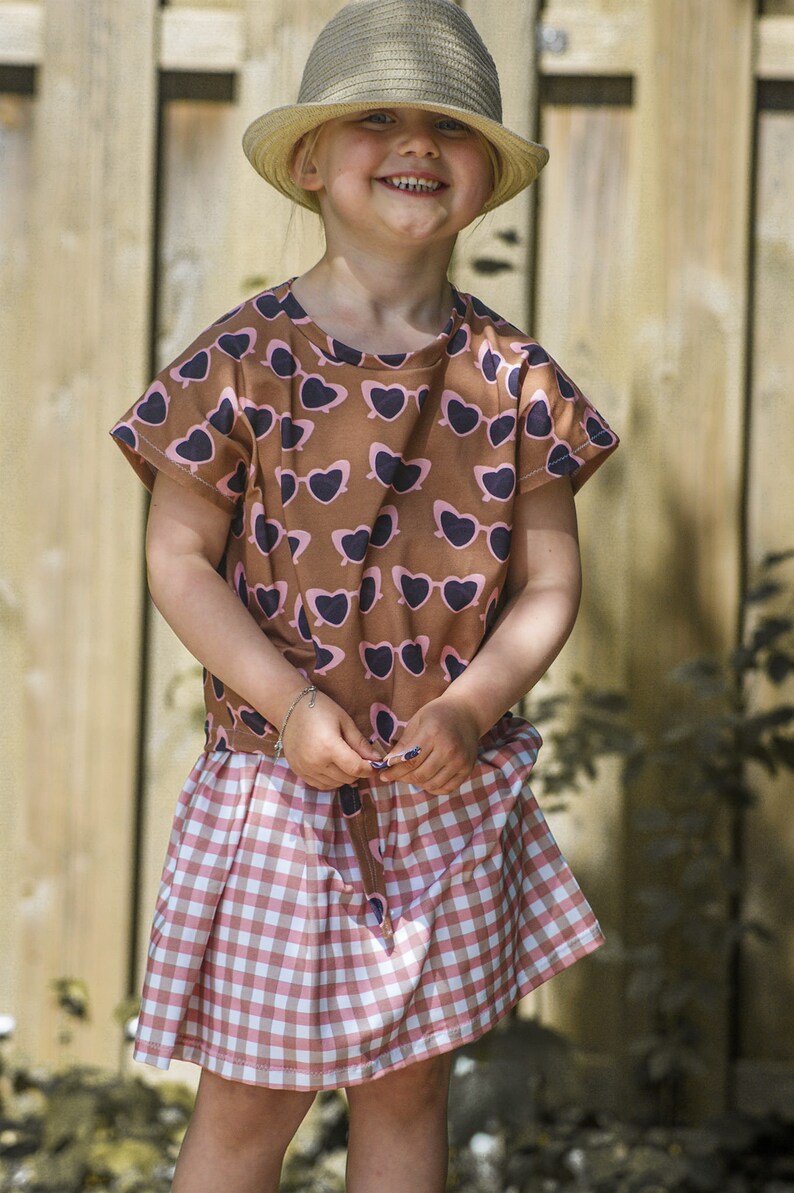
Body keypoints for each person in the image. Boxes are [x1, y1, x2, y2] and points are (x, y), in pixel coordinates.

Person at [110, 1, 619, 1190]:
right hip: (285, 789)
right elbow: (177, 560)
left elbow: (549, 582)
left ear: (485, 174)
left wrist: (473, 702)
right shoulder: (242, 359)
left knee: (409, 1091)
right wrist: (285, 701)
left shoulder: (512, 381)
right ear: (307, 162)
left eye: (447, 124)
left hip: (437, 790)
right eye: (376, 118)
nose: (415, 141)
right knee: (251, 1100)